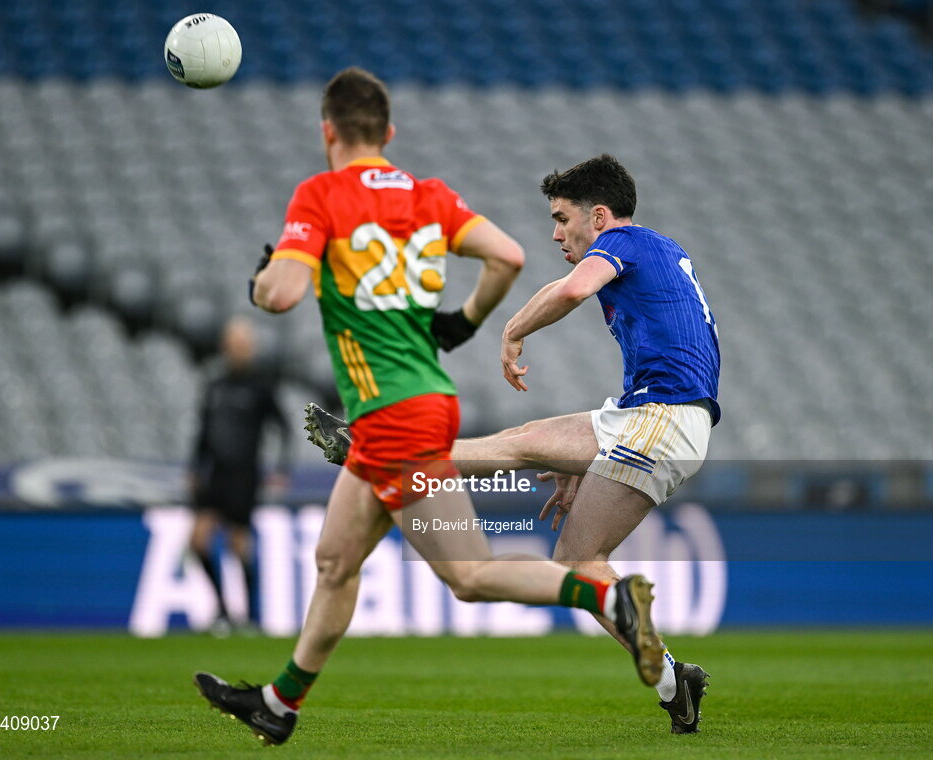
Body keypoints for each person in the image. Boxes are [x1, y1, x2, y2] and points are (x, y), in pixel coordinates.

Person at [193, 69, 663, 746]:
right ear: (388, 134)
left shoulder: (322, 195)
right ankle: (280, 703)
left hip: (391, 416)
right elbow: (506, 255)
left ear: (327, 131)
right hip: (420, 401)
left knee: (468, 576)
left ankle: (604, 596)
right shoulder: (425, 195)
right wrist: (464, 323)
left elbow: (284, 294)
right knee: (334, 560)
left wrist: (264, 278)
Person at [305, 154, 720, 733]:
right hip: (650, 414)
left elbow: (573, 289)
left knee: (577, 562)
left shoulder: (625, 245)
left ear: (599, 217)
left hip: (663, 418)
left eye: (561, 218)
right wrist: (586, 457)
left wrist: (512, 329)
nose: (555, 232)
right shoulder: (657, 252)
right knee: (523, 442)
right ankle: (677, 684)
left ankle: (376, 449)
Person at [189, 316, 292, 636]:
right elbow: (203, 432)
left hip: (244, 474)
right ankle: (221, 609)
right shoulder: (215, 386)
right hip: (215, 473)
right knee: (198, 542)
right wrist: (194, 468)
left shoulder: (261, 387)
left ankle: (247, 616)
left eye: (243, 343)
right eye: (234, 342)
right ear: (226, 346)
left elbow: (284, 428)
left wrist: (280, 468)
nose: (239, 349)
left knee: (238, 544)